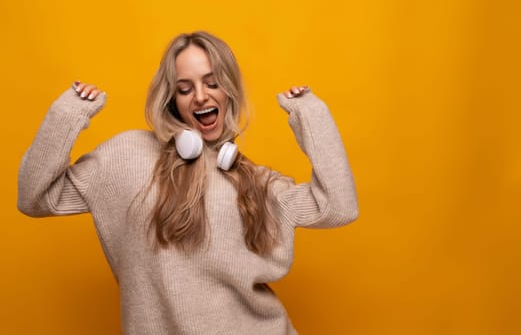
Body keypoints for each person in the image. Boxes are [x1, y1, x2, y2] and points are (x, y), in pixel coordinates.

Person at [17, 31, 358, 334]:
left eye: (212, 83)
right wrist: (68, 114)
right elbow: (34, 198)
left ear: (229, 92)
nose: (200, 97)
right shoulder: (124, 158)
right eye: (185, 88)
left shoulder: (256, 182)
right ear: (172, 98)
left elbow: (340, 207)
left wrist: (310, 115)